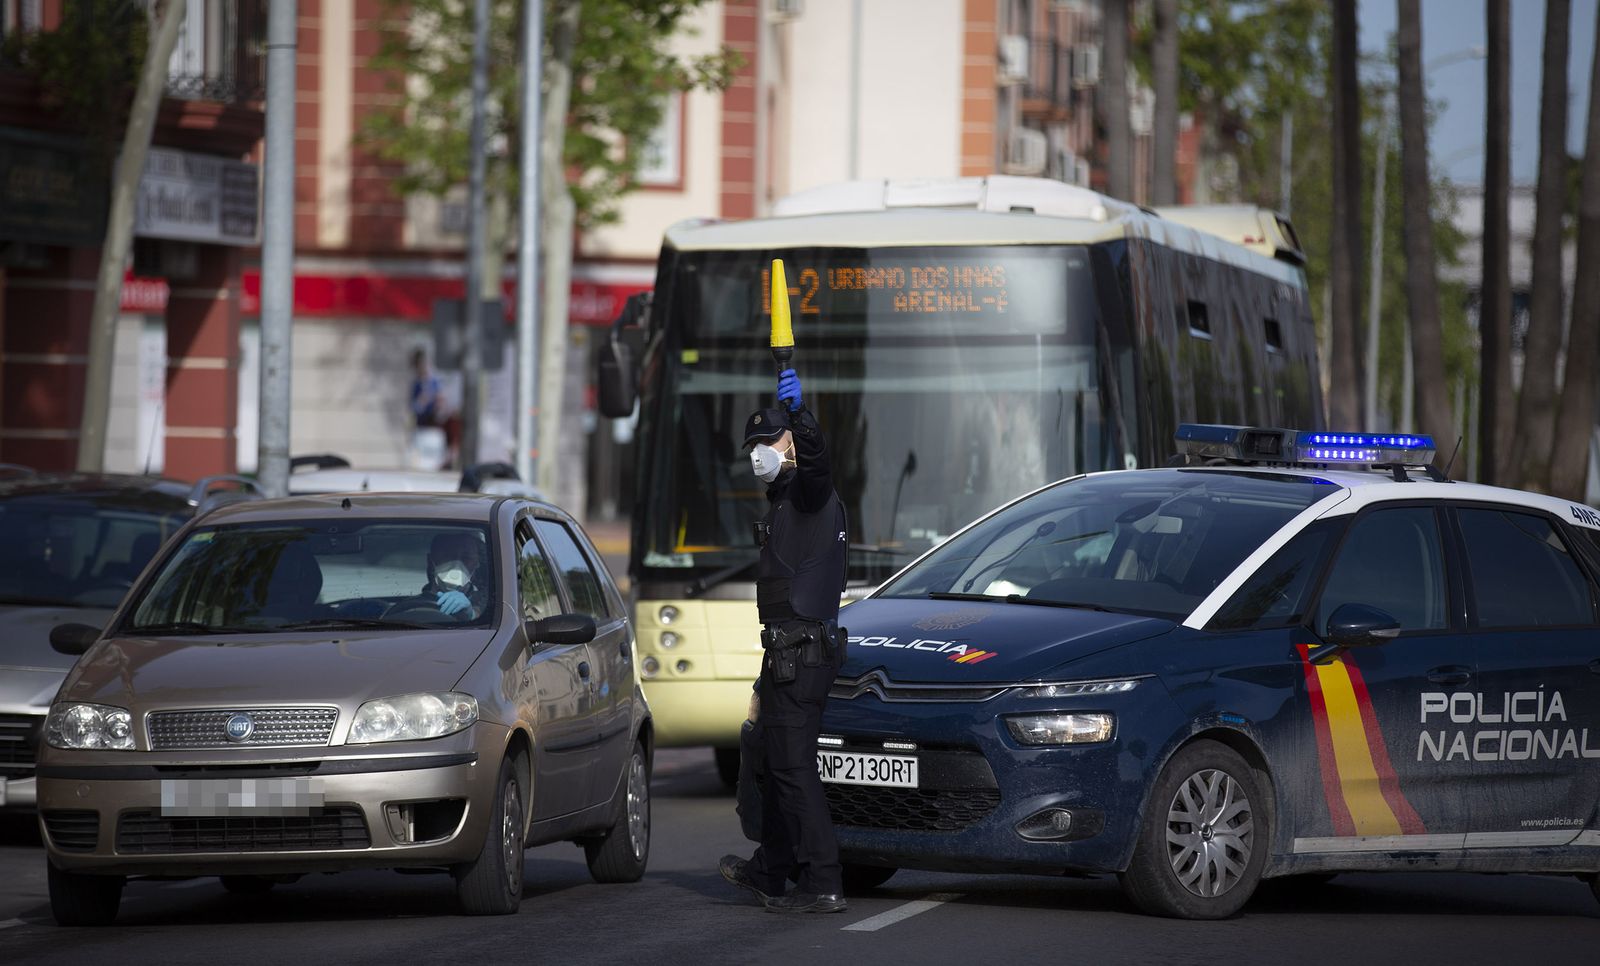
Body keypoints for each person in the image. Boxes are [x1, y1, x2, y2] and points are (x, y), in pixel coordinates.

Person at [719, 366, 850, 914]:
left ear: (790, 444)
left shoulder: (808, 494)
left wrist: (801, 416)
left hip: (803, 655)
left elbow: (818, 462)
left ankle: (823, 882)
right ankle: (771, 872)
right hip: (784, 657)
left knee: (795, 770)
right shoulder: (781, 500)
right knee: (772, 761)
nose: (759, 453)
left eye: (768, 441)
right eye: (753, 445)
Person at [422, 531, 489, 620]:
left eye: (466, 558)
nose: (456, 566)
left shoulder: (491, 605)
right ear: (430, 561)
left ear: (476, 564)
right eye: (447, 556)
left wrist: (472, 615)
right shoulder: (410, 606)